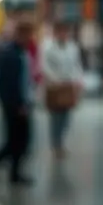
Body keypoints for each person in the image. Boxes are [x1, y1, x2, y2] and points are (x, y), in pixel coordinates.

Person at [0, 19, 35, 185]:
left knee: (18, 140)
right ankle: (11, 172)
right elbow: (7, 83)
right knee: (17, 139)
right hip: (15, 105)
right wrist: (17, 104)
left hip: (22, 102)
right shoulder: (10, 54)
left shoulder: (22, 53)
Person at [42, 22, 83, 159]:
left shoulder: (73, 47)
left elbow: (77, 65)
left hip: (68, 85)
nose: (63, 34)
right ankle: (55, 145)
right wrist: (55, 79)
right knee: (55, 117)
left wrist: (78, 80)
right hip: (55, 86)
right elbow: (44, 65)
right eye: (60, 32)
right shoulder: (48, 47)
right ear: (55, 33)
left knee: (66, 118)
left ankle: (61, 143)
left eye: (65, 32)